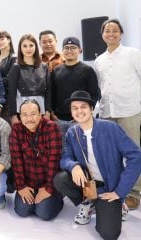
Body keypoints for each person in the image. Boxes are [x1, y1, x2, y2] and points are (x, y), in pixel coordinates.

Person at [53, 91, 141, 240]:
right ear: (71, 112)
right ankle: (88, 202)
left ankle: (119, 206)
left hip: (110, 189)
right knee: (60, 179)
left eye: (83, 107)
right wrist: (73, 166)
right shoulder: (71, 132)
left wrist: (120, 192)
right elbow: (65, 157)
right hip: (88, 185)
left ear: (92, 109)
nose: (79, 111)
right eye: (75, 108)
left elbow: (136, 156)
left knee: (109, 233)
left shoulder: (111, 128)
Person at [94, 19, 141, 210]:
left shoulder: (133, 54)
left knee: (134, 153)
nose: (111, 34)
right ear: (102, 34)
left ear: (121, 33)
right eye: (107, 31)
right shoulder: (99, 60)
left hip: (129, 110)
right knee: (111, 155)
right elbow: (101, 88)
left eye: (115, 30)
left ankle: (134, 193)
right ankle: (115, 188)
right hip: (107, 113)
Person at [9, 99, 63, 220]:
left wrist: (49, 189)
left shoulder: (51, 128)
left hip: (48, 182)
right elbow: (16, 160)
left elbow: (54, 162)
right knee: (22, 211)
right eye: (25, 115)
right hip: (29, 183)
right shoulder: (16, 130)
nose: (29, 119)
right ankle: (37, 200)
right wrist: (21, 187)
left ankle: (58, 197)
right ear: (20, 117)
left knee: (44, 213)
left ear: (40, 114)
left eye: (33, 114)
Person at [51, 37, 99, 139]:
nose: (69, 50)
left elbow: (94, 94)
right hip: (59, 120)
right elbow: (52, 93)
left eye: (73, 47)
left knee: (81, 149)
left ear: (80, 50)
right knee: (62, 151)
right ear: (62, 51)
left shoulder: (88, 70)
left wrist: (86, 114)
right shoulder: (56, 71)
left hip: (80, 119)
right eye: (66, 48)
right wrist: (52, 111)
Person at [8, 34, 51, 126]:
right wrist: (13, 115)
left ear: (36, 47)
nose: (28, 49)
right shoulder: (16, 67)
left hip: (41, 112)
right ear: (20, 48)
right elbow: (11, 93)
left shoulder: (44, 66)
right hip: (22, 112)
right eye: (24, 46)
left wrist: (47, 112)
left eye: (31, 45)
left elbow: (49, 91)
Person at [0, 30, 17, 122]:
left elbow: (10, 80)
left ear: (9, 40)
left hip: (6, 102)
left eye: (2, 39)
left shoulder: (14, 59)